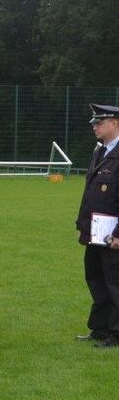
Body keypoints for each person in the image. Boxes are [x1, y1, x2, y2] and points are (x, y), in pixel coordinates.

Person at [76, 103, 119, 348]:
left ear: (115, 123)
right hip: (95, 232)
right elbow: (92, 193)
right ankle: (100, 329)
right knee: (96, 279)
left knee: (114, 282)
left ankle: (116, 333)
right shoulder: (100, 151)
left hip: (112, 235)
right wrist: (83, 226)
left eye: (99, 123)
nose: (95, 127)